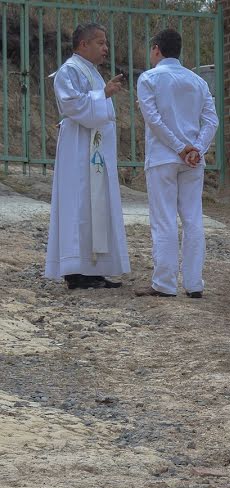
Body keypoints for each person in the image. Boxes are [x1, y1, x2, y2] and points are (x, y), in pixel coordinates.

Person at [45, 23, 129, 290]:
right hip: (78, 148)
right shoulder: (69, 70)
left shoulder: (91, 72)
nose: (106, 48)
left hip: (94, 148)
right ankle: (75, 269)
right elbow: (71, 104)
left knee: (97, 203)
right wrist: (103, 93)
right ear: (83, 44)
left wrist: (102, 94)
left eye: (105, 43)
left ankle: (94, 268)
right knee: (78, 201)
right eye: (100, 43)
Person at [135, 29, 218, 298]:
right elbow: (211, 121)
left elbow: (154, 120)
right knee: (193, 218)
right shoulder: (197, 82)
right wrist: (197, 149)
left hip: (163, 157)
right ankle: (194, 284)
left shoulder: (148, 78)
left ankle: (164, 283)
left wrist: (180, 148)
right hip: (193, 160)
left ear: (156, 49)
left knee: (164, 219)